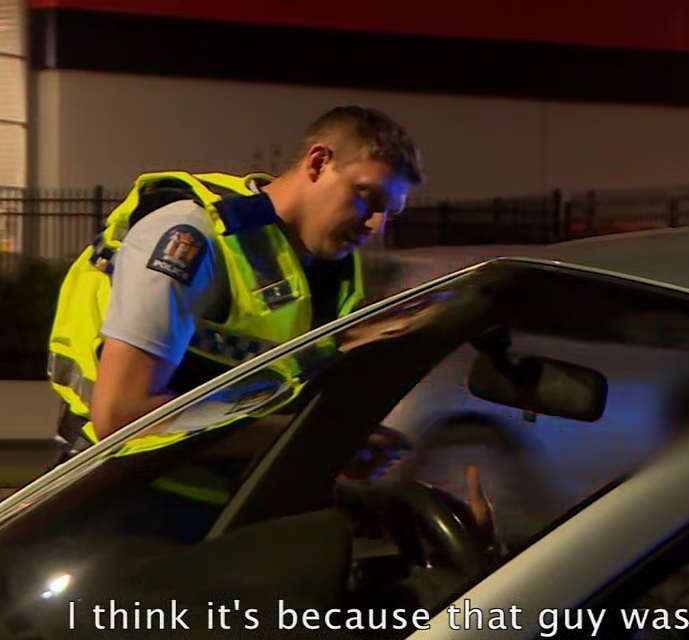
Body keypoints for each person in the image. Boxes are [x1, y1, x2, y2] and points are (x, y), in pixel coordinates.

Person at [45, 106, 425, 464]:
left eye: (389, 213)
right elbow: (122, 418)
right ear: (318, 162)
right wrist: (313, 440)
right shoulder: (191, 237)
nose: (376, 225)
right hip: (116, 492)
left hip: (221, 494)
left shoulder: (326, 267)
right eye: (367, 197)